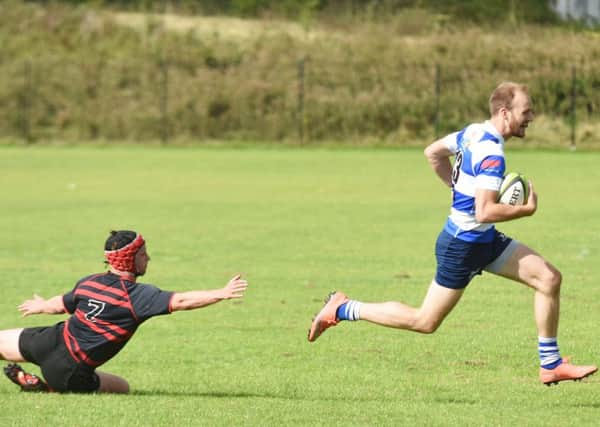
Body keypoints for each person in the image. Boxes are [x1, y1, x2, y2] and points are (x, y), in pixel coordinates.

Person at [307, 82, 597, 386]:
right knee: (425, 321)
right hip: (461, 246)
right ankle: (343, 307)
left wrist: (458, 189)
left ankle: (550, 365)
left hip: (484, 240)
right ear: (504, 112)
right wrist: (525, 210)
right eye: (526, 111)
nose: (531, 117)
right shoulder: (492, 153)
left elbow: (433, 153)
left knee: (548, 278)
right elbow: (485, 210)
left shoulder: (474, 132)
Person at [0, 230, 248, 393]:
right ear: (130, 259)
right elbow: (181, 300)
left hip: (47, 340)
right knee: (122, 387)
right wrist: (221, 293)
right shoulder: (138, 297)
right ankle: (46, 388)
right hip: (70, 371)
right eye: (143, 254)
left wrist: (41, 306)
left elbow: (60, 304)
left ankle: (42, 385)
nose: (148, 258)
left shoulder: (90, 281)